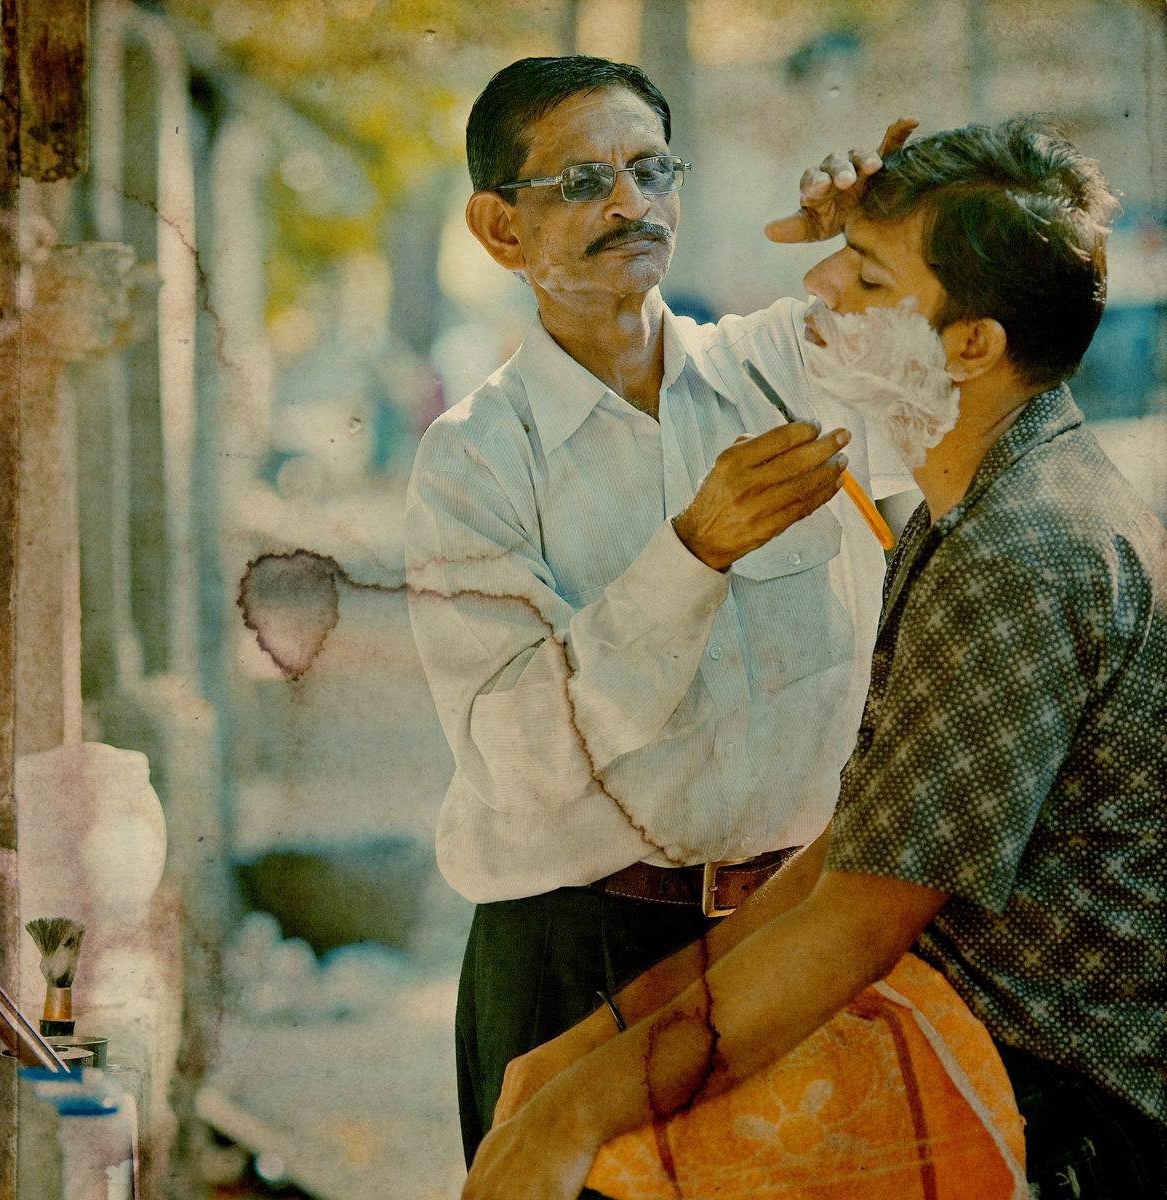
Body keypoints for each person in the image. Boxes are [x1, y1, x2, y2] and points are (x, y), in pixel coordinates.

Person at [463, 117, 1167, 1199]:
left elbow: (858, 915)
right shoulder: (977, 497)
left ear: (970, 346)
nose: (823, 287)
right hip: (968, 1039)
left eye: (867, 273)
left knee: (604, 1162)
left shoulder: (1022, 545)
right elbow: (856, 848)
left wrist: (573, 1115)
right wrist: (590, 1050)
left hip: (1071, 1112)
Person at [404, 54, 916, 1161]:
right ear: (500, 231)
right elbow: (524, 758)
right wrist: (692, 555)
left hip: (795, 943)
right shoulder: (472, 462)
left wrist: (886, 227)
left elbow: (967, 355)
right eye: (583, 182)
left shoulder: (788, 365)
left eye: (651, 169)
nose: (631, 204)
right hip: (578, 959)